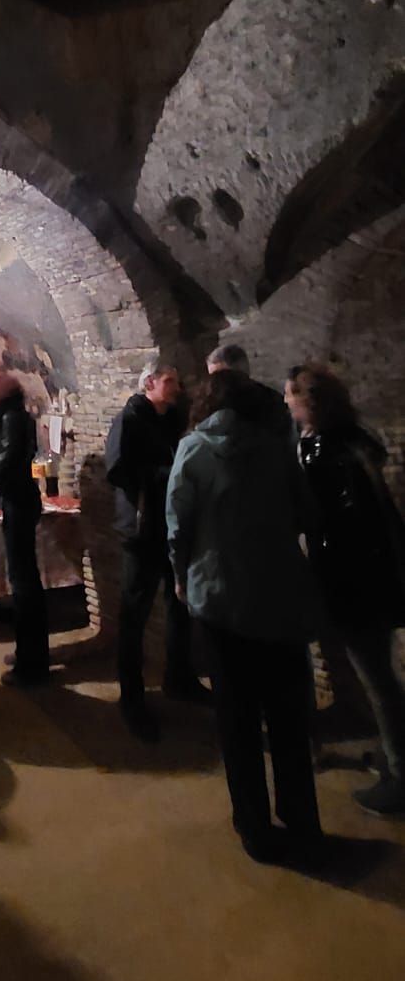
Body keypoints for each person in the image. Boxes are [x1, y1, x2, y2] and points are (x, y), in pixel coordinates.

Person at [167, 368, 324, 864]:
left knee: (236, 721)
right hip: (279, 594)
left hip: (220, 599)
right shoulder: (276, 447)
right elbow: (306, 514)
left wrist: (180, 576)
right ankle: (302, 821)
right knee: (288, 717)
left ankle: (255, 828)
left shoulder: (193, 449)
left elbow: (177, 525)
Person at [286, 363, 405, 817]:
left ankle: (400, 775)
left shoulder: (324, 454)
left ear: (307, 401)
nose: (286, 403)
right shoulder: (355, 440)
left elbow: (331, 524)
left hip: (357, 582)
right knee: (379, 675)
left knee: (377, 679)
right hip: (378, 576)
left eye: (290, 396)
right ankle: (395, 756)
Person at [105, 356, 207, 740]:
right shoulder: (129, 419)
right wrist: (170, 472)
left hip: (172, 525)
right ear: (149, 383)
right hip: (142, 528)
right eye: (170, 380)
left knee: (179, 603)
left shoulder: (172, 417)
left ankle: (179, 677)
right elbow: (118, 469)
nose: (176, 387)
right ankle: (131, 698)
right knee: (135, 613)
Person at [0, 372, 49, 688]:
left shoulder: (11, 418)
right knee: (24, 579)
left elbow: (4, 462)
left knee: (24, 583)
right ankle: (29, 654)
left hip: (18, 501)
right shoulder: (16, 415)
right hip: (21, 499)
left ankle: (32, 664)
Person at [207, 343, 292, 437]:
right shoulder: (212, 403)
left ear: (241, 373)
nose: (214, 383)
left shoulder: (272, 401)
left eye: (221, 377)